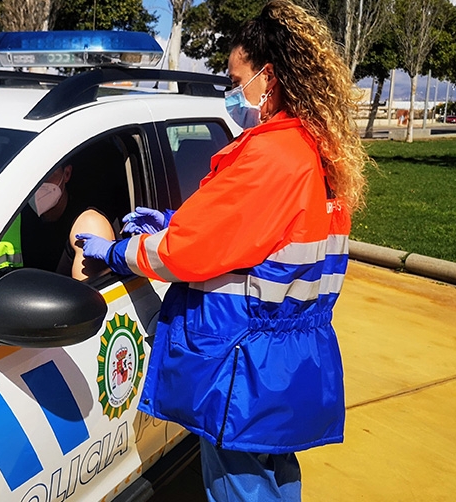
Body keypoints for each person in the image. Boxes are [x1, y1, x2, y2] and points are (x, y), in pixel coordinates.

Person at [76, 1, 368, 501]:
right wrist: (171, 222)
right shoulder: (311, 150)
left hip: (243, 363)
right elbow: (259, 235)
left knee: (241, 485)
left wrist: (119, 252)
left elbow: (188, 253)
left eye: (238, 79)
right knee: (272, 474)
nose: (234, 92)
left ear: (268, 77)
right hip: (285, 354)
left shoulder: (270, 155)